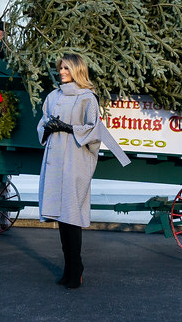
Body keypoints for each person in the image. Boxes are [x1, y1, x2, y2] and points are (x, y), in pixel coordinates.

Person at [37, 54, 129, 289]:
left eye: (66, 67)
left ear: (77, 69)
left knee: (71, 214)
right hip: (54, 160)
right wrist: (47, 127)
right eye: (60, 67)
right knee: (60, 216)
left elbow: (94, 130)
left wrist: (68, 128)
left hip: (75, 160)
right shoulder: (53, 96)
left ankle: (76, 267)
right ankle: (69, 267)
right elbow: (42, 122)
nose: (61, 71)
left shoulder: (87, 97)